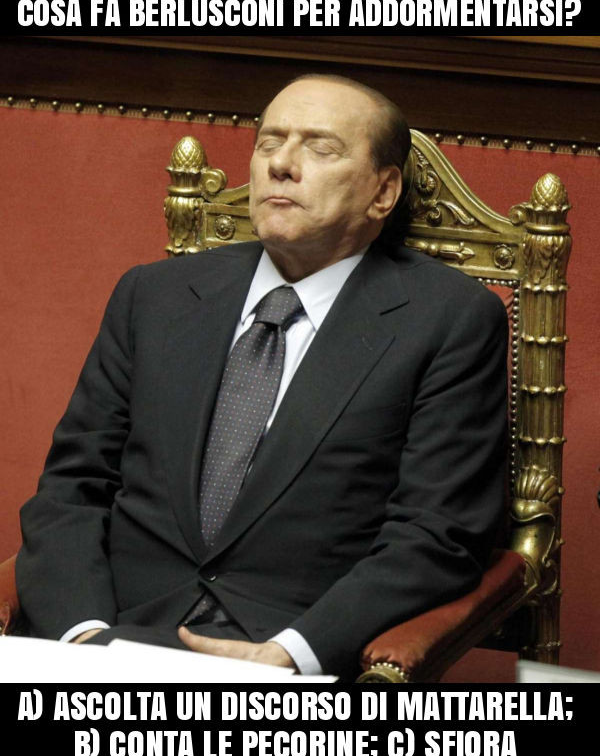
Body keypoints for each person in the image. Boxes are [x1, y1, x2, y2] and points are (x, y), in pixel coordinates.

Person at [16, 75, 508, 680]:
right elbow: (72, 488)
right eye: (269, 142)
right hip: (110, 636)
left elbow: (438, 535)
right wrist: (80, 635)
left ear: (383, 192)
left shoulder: (450, 321)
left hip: (286, 654)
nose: (280, 164)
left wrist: (293, 652)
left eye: (319, 148)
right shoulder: (154, 296)